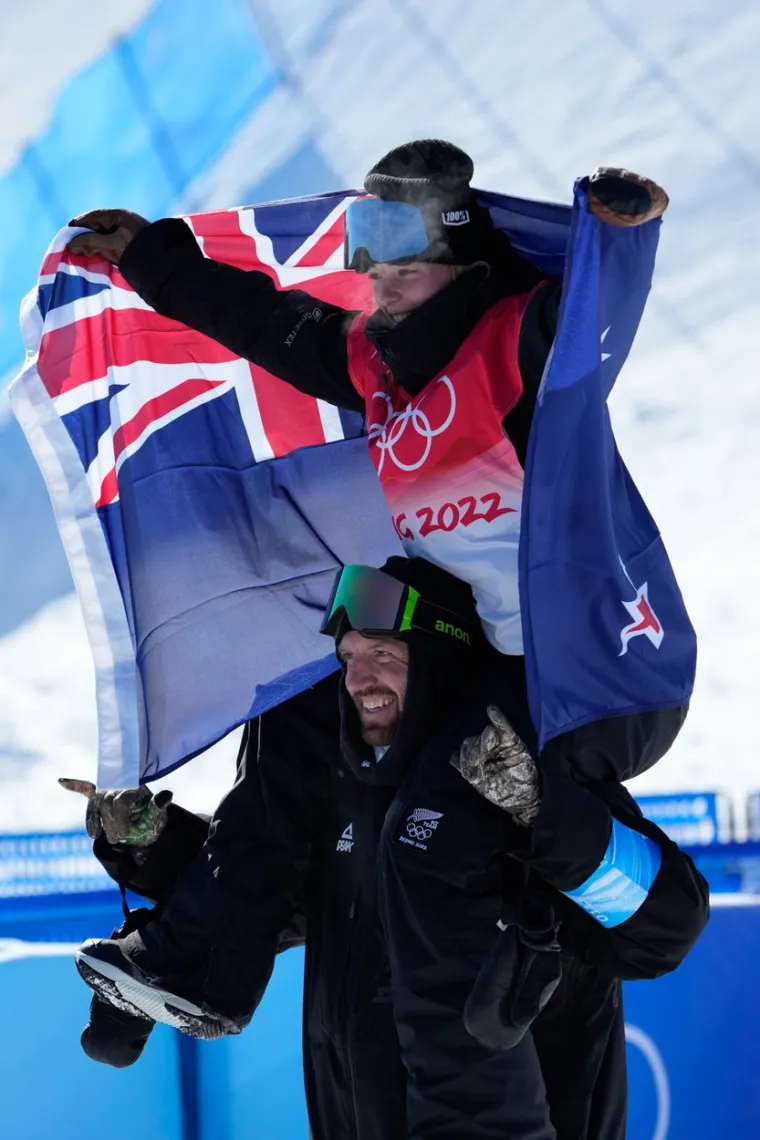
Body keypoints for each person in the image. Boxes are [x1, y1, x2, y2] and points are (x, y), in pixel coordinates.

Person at [67, 138, 685, 787]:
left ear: (459, 263)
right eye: (376, 277)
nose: (384, 295)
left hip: (603, 669)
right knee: (408, 824)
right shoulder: (379, 365)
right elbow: (264, 320)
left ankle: (653, 885)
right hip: (504, 665)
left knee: (476, 831)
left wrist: (623, 232)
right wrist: (150, 257)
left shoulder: (517, 343)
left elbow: (595, 311)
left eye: (406, 273)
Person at [74, 556, 708, 1140]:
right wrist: (153, 845)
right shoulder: (356, 798)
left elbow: (666, 927)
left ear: (440, 658)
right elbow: (273, 903)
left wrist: (549, 817)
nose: (359, 679)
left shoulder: (519, 778)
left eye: (383, 653)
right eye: (349, 657)